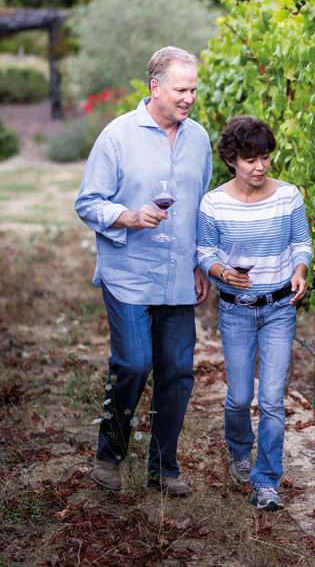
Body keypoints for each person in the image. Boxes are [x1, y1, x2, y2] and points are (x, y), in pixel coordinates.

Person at [75, 46, 212, 497]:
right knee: (134, 363)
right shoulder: (117, 137)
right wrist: (131, 217)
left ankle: (163, 467)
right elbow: (88, 202)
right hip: (129, 272)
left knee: (176, 370)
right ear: (155, 87)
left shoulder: (200, 140)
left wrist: (200, 263)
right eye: (181, 89)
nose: (189, 97)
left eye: (193, 89)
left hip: (178, 275)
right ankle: (109, 456)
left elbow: (201, 209)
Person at [196, 115, 312, 511]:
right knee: (239, 397)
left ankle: (266, 481)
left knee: (273, 399)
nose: (259, 167)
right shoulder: (213, 203)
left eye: (264, 157)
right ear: (231, 159)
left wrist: (300, 271)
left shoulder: (288, 196)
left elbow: (302, 243)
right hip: (236, 311)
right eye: (250, 159)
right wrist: (221, 272)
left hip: (280, 307)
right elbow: (205, 252)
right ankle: (239, 452)